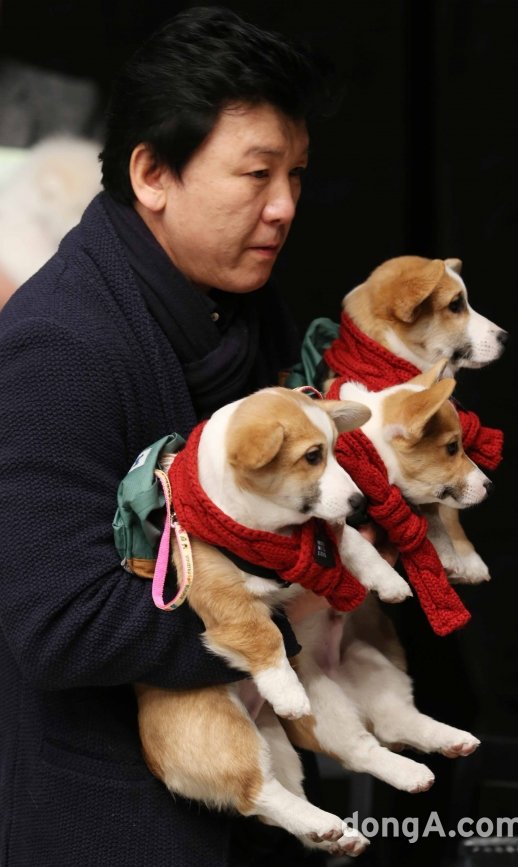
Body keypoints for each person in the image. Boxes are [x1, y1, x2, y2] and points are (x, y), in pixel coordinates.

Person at [0, 7, 336, 866]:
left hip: (257, 795)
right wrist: (293, 598)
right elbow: (60, 624)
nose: (284, 206)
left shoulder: (243, 305)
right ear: (153, 173)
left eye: (296, 174)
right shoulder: (58, 345)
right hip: (114, 820)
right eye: (257, 174)